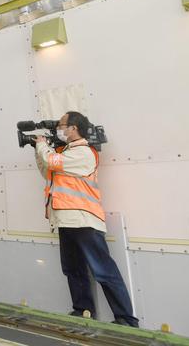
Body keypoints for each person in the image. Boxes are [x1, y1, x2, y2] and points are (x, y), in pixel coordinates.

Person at [35, 112, 138, 327]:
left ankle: (126, 319)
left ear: (73, 128)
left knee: (103, 271)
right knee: (73, 270)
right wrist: (39, 149)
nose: (60, 130)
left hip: (84, 220)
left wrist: (42, 145)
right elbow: (47, 170)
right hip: (66, 220)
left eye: (62, 126)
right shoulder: (65, 153)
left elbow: (50, 160)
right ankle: (82, 310)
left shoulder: (84, 153)